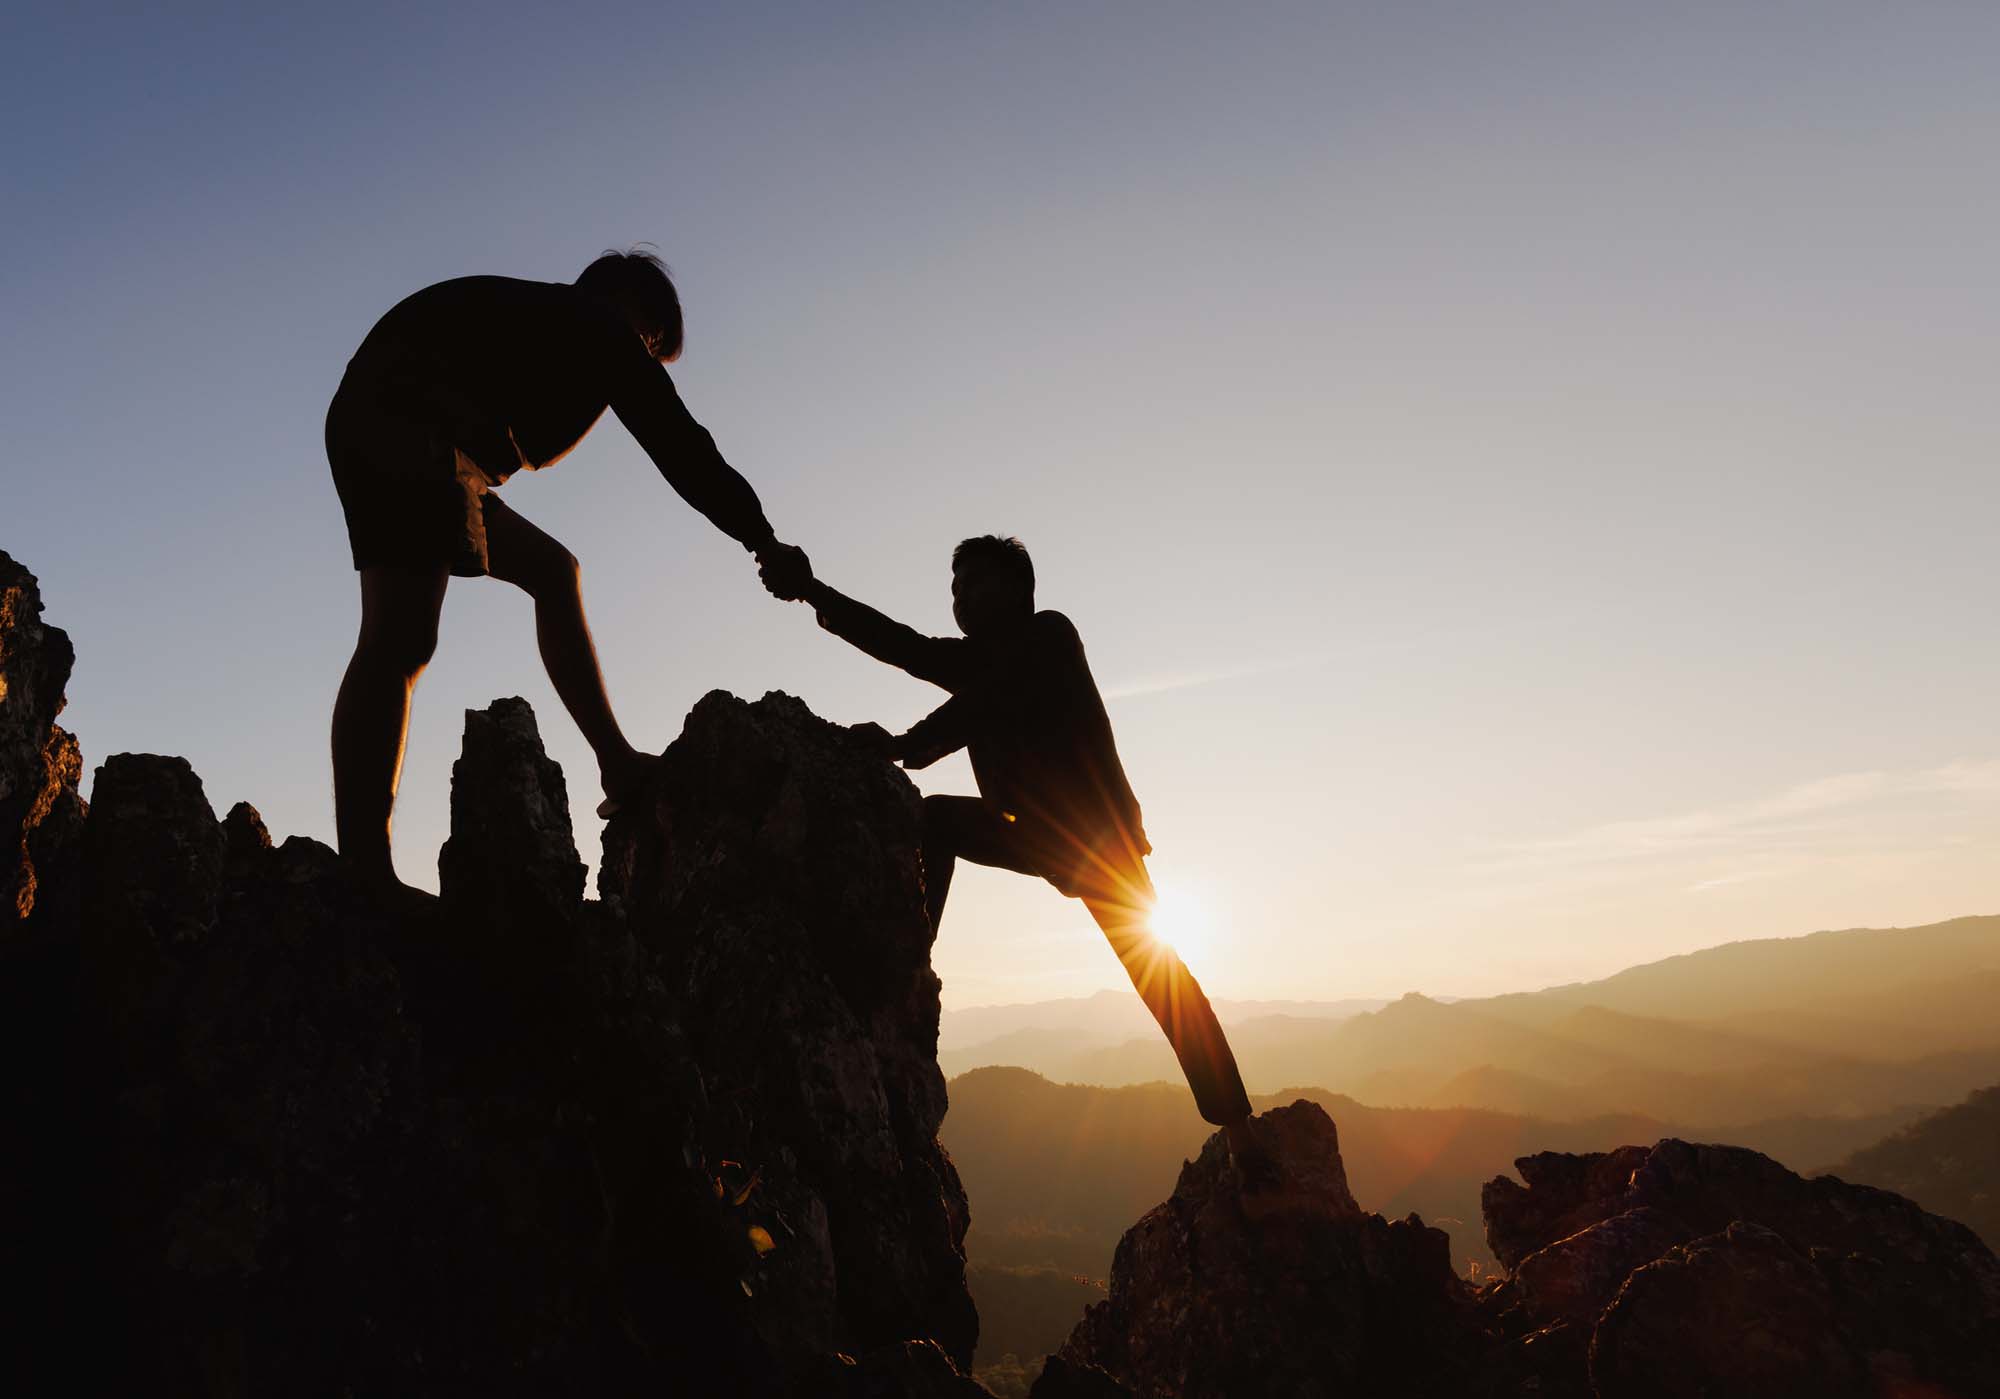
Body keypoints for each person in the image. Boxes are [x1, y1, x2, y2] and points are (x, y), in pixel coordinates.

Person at [764, 535, 1267, 1167]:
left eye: (974, 583)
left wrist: (904, 743)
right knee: (934, 821)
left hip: (1098, 843)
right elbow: (905, 647)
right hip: (1031, 830)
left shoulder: (1049, 636)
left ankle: (1238, 1127)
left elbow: (989, 699)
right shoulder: (984, 658)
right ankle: (914, 957)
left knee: (1160, 978)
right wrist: (814, 592)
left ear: (1019, 591)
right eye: (955, 588)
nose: (960, 598)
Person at [326, 248, 809, 898]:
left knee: (553, 571)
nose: (644, 352)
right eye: (651, 337)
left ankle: (615, 762)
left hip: (431, 442)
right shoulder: (595, 323)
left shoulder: (561, 322)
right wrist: (762, 537)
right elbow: (681, 444)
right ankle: (364, 870)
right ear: (623, 303)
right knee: (400, 636)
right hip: (405, 422)